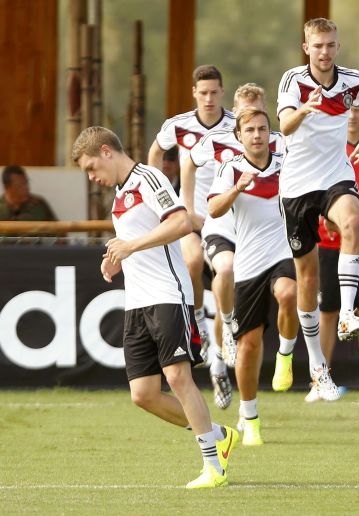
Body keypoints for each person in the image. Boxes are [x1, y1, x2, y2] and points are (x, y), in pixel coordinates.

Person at [72, 126, 238, 489]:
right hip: (137, 302)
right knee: (143, 394)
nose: (91, 177)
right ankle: (218, 435)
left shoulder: (148, 177)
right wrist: (117, 257)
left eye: (90, 167)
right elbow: (144, 234)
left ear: (106, 151)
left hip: (168, 293)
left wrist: (130, 247)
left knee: (178, 377)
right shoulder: (120, 192)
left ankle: (213, 466)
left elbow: (180, 222)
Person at [276, 17, 359, 400]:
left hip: (335, 175)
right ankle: (317, 366)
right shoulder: (293, 81)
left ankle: (348, 314)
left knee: (352, 221)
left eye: (331, 45)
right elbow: (284, 125)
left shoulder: (353, 80)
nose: (325, 52)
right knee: (308, 280)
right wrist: (306, 109)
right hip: (298, 187)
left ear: (338, 45)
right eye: (317, 45)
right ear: (306, 48)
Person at [288, 104, 359, 402]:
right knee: (327, 312)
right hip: (327, 243)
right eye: (345, 112)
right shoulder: (325, 146)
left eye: (356, 111)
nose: (351, 116)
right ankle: (320, 378)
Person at [207, 107, 298, 446]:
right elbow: (214, 209)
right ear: (239, 136)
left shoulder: (285, 163)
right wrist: (237, 188)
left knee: (289, 294)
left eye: (263, 129)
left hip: (282, 254)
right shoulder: (230, 168)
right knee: (248, 345)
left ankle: (286, 355)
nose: (258, 135)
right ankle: (250, 417)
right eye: (251, 130)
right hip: (248, 263)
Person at [148, 64, 235, 409]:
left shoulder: (235, 125)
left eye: (215, 92)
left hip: (227, 219)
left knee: (229, 284)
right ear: (194, 94)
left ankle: (217, 361)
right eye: (204, 93)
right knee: (192, 260)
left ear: (222, 92)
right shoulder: (178, 124)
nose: (210, 99)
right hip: (190, 215)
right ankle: (198, 319)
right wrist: (162, 197)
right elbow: (156, 152)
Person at [186, 83, 285, 373]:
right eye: (242, 114)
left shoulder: (278, 144)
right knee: (225, 270)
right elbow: (188, 164)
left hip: (258, 232)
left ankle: (225, 350)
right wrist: (189, 208)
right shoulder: (217, 140)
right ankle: (227, 326)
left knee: (254, 303)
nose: (251, 126)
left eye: (256, 117)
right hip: (222, 226)